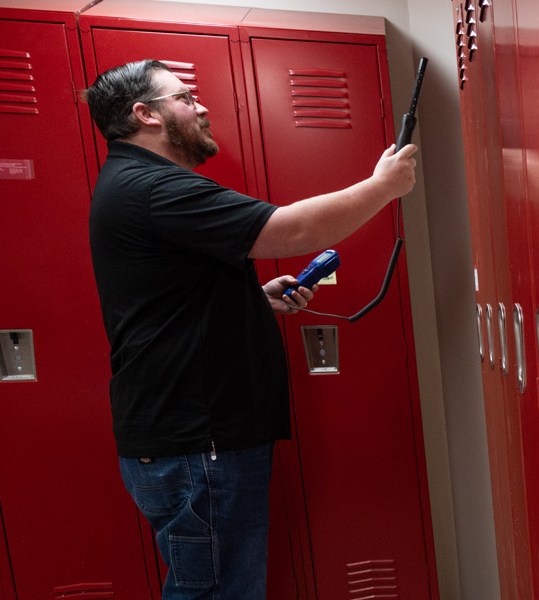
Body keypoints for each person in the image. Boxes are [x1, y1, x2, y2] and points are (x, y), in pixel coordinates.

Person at [84, 59, 417, 599]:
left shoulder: (133, 184)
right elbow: (293, 228)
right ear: (144, 114)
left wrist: (250, 301)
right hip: (198, 445)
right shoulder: (152, 188)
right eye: (186, 97)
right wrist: (384, 188)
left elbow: (170, 301)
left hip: (191, 441)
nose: (202, 105)